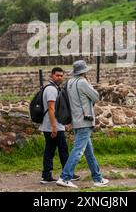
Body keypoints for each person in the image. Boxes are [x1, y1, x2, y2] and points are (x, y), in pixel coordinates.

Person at [56, 60, 109, 189]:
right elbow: (96, 97)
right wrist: (89, 84)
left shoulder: (70, 83)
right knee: (78, 150)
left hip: (75, 120)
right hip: (85, 120)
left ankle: (98, 178)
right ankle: (65, 177)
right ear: (84, 72)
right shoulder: (82, 82)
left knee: (88, 152)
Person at [39, 67, 80, 184]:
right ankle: (68, 174)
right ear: (52, 76)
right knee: (63, 150)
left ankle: (46, 176)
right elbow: (51, 108)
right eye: (57, 75)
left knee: (50, 150)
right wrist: (54, 126)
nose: (60, 78)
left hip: (52, 125)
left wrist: (62, 123)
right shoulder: (51, 89)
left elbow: (57, 109)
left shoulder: (51, 88)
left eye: (61, 76)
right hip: (53, 126)